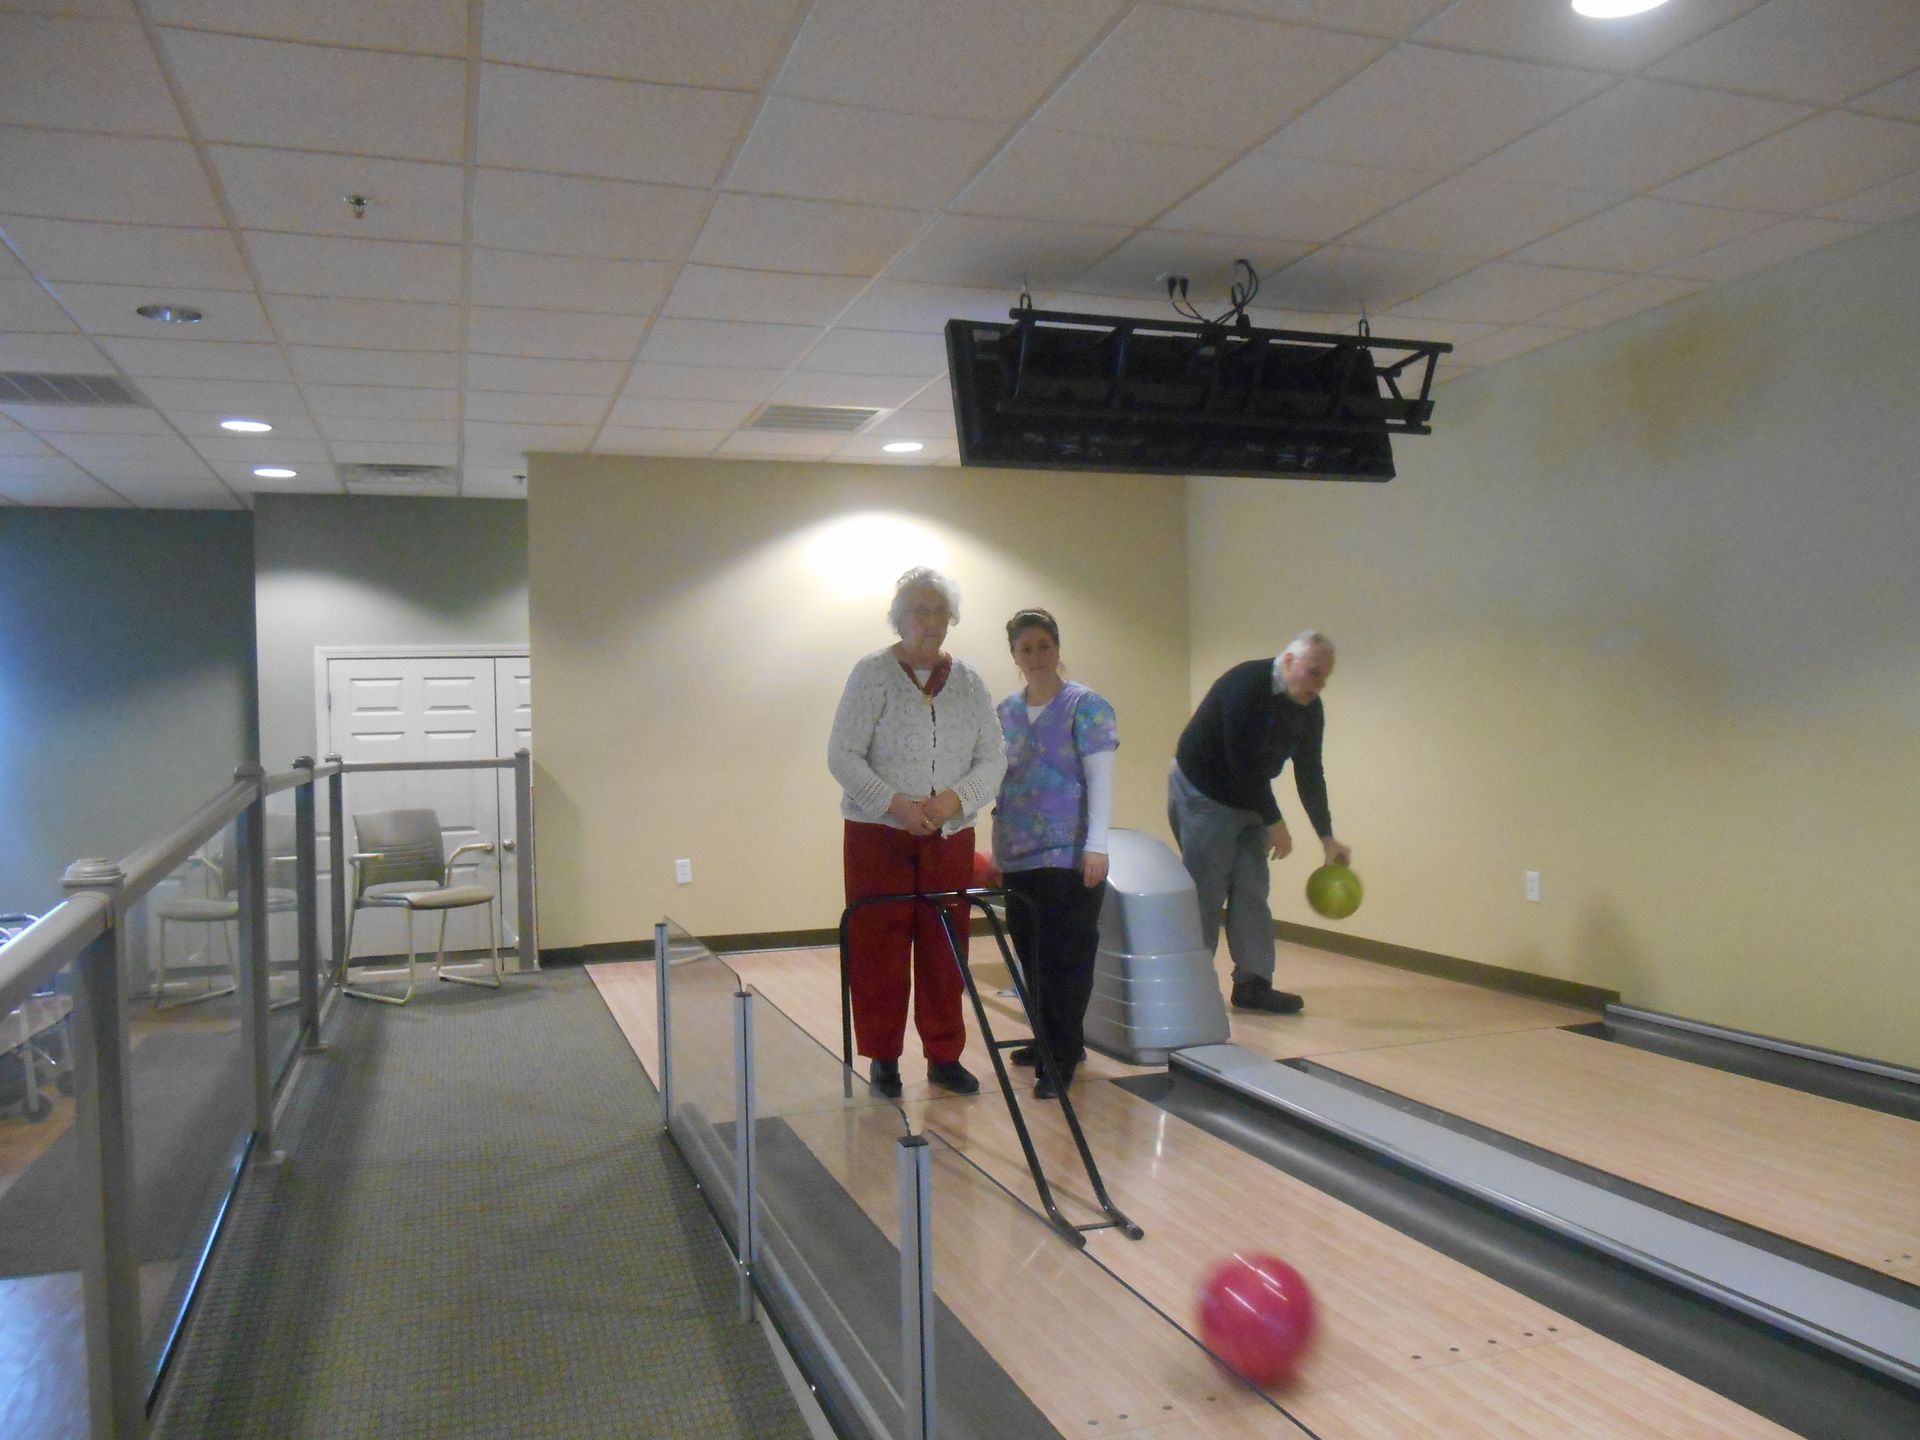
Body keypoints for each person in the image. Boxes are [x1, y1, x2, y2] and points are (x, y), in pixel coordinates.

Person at [828, 567, 1007, 1098]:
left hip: (949, 837)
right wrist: (895, 806)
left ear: (951, 620)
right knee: (877, 944)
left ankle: (944, 1055)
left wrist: (956, 800)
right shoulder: (871, 674)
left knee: (945, 945)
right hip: (877, 835)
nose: (929, 622)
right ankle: (883, 1057)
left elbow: (993, 758)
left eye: (939, 612)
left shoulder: (971, 682)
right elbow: (842, 755)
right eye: (919, 611)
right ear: (900, 618)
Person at [1167, 631, 1353, 1015]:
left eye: (1324, 678)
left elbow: (1309, 771)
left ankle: (1253, 985)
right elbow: (1241, 761)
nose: (1318, 686)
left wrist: (1327, 837)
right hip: (1204, 790)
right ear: (1288, 662)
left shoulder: (1308, 707)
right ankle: (1189, 988)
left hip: (1248, 793)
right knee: (1206, 889)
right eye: (1313, 673)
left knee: (1252, 887)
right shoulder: (1246, 685)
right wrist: (1273, 820)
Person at [991, 609, 1118, 1100]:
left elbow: (1101, 778)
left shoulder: (1087, 705)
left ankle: (1063, 1054)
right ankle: (1048, 1037)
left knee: (1066, 958)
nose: (1037, 656)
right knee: (1032, 955)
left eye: (1045, 646)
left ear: (1058, 648)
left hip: (1070, 854)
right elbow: (998, 777)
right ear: (1015, 656)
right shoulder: (1005, 712)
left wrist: (1098, 845)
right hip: (1019, 852)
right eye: (1027, 649)